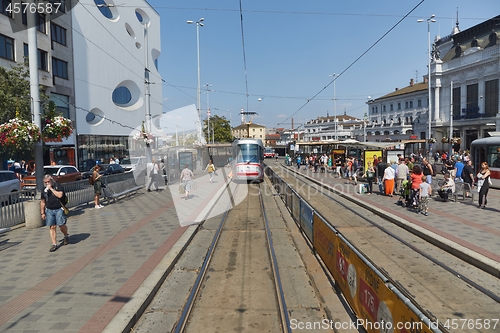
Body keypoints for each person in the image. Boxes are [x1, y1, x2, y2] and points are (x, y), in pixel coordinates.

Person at [40, 175, 69, 252]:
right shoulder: (44, 190)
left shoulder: (58, 186)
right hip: (49, 210)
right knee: (52, 227)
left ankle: (66, 235)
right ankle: (54, 244)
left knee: (61, 225)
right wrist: (42, 213)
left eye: (48, 182)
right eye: (45, 182)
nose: (47, 183)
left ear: (52, 180)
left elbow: (60, 195)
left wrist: (51, 189)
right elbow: (42, 202)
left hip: (59, 208)